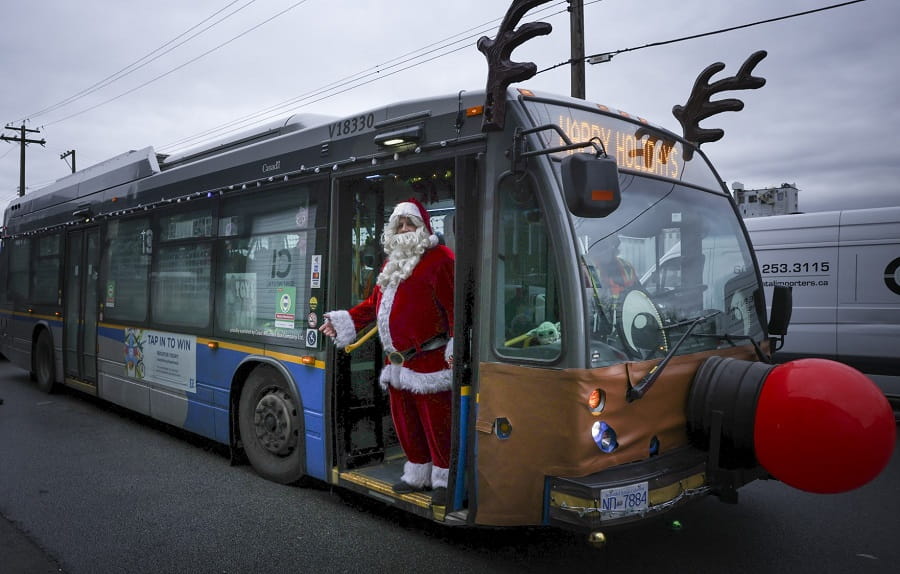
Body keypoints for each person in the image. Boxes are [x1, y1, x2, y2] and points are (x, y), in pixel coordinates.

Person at [320, 198, 454, 506]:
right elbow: (373, 306)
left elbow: (455, 307)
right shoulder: (391, 263)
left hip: (430, 360)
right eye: (399, 224)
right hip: (396, 362)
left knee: (437, 426)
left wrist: (455, 344)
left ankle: (445, 480)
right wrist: (344, 321)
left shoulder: (441, 259)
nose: (404, 229)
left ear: (423, 227)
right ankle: (417, 473)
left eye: (410, 223)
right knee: (406, 424)